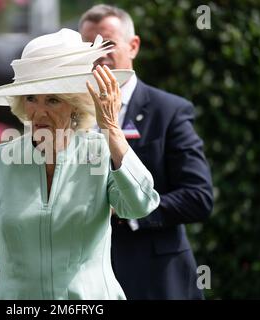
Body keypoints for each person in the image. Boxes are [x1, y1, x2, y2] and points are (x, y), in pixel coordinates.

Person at [0, 28, 160, 300]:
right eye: (31, 98)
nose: (39, 112)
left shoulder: (101, 153)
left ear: (75, 105)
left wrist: (111, 129)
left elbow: (140, 205)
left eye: (52, 100)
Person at [79, 4, 214, 299]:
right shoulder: (69, 115)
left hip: (155, 279)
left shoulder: (169, 111)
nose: (98, 53)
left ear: (134, 46)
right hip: (84, 282)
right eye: (88, 46)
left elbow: (198, 197)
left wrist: (127, 211)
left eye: (108, 43)